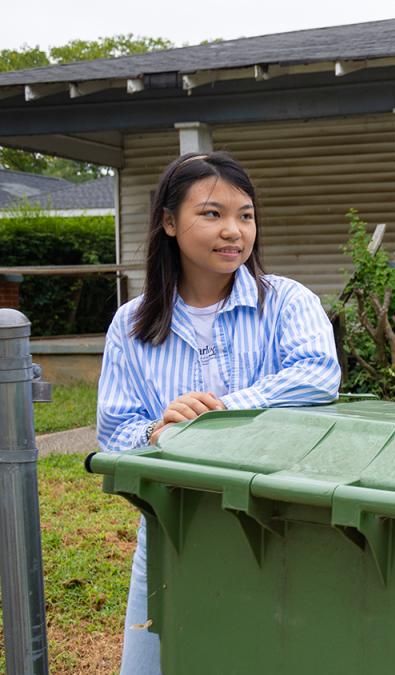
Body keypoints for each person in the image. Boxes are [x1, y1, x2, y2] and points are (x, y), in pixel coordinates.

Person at [96, 151, 341, 675]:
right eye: (212, 214)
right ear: (168, 222)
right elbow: (116, 434)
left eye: (245, 215)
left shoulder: (286, 302)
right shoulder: (131, 324)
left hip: (281, 528)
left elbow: (318, 376)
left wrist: (217, 413)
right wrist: (162, 431)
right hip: (174, 532)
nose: (233, 231)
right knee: (151, 665)